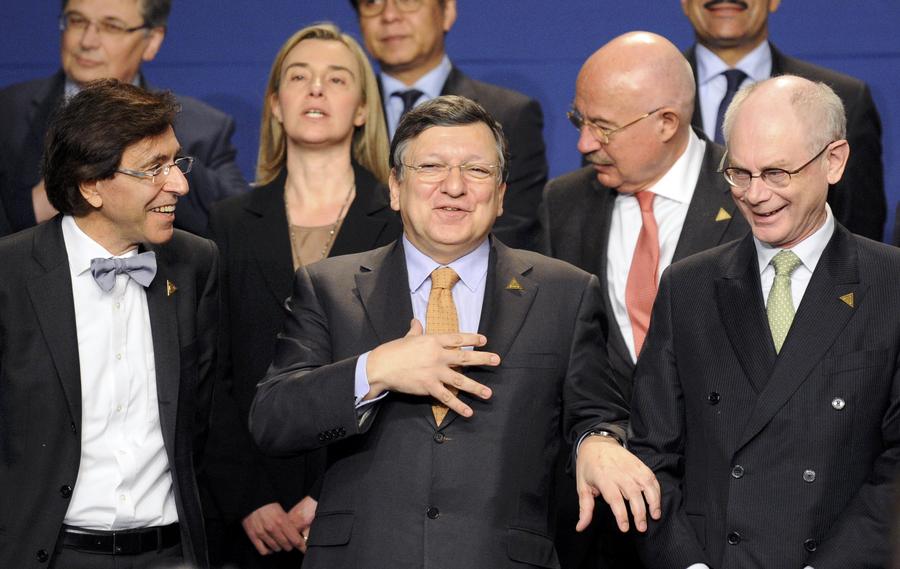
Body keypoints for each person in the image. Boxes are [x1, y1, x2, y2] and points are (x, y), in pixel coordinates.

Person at [249, 95, 660, 568]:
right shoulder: (329, 287)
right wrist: (374, 370)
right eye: (431, 167)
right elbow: (273, 420)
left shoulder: (565, 292)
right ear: (395, 188)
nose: (454, 187)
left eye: (477, 171)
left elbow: (596, 413)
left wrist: (598, 443)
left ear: (501, 194)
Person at [629, 75, 900, 568]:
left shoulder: (891, 284)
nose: (755, 195)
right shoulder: (686, 287)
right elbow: (652, 452)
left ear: (833, 161)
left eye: (777, 173)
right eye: (739, 173)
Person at [541, 31, 748, 569]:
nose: (585, 143)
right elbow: (563, 357)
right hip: (596, 520)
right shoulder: (563, 204)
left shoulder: (753, 196)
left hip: (720, 512)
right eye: (578, 121)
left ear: (666, 123)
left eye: (602, 127)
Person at [201, 23, 402, 569]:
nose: (315, 89)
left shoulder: (400, 221)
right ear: (274, 102)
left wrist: (331, 493)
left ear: (362, 108)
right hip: (251, 517)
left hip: (363, 501)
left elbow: (402, 366)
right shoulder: (227, 223)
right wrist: (249, 497)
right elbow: (207, 373)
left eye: (336, 79)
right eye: (299, 77)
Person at [0, 79, 218, 568]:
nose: (179, 184)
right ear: (91, 185)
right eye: (154, 169)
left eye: (176, 162)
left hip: (171, 555)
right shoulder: (9, 275)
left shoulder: (195, 263)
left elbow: (204, 419)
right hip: (49, 554)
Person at [0, 0, 247, 237]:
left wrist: (160, 152)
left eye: (111, 26)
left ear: (152, 41)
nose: (87, 41)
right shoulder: (7, 112)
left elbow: (240, 231)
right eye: (77, 21)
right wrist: (32, 207)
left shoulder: (201, 129)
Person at [348, 0, 548, 250]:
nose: (389, 15)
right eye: (372, 3)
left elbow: (515, 229)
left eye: (408, 2)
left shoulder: (510, 114)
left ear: (448, 12)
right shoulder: (342, 113)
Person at [681, 0, 885, 240]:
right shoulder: (645, 99)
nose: (755, 195)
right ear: (685, 2)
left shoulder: (848, 98)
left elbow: (861, 230)